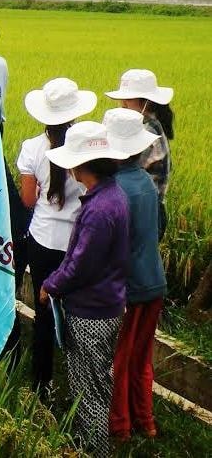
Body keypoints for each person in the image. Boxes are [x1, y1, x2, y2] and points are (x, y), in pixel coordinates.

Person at [40, 121, 130, 458]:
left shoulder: (99, 210)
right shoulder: (110, 195)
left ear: (83, 165)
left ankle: (94, 449)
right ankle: (85, 441)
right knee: (94, 379)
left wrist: (51, 285)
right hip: (107, 303)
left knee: (88, 386)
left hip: (92, 310)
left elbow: (80, 264)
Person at [18, 77, 96, 394]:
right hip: (78, 244)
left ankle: (42, 382)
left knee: (44, 312)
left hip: (41, 240)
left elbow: (26, 200)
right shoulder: (88, 150)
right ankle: (80, 383)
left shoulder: (31, 149)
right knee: (77, 310)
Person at [104, 108, 166, 442]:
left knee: (120, 358)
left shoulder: (114, 190)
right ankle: (147, 422)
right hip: (154, 281)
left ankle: (120, 427)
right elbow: (156, 230)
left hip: (128, 288)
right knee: (141, 358)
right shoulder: (145, 181)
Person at [105, 69, 174, 238]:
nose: (122, 102)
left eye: (127, 98)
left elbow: (115, 167)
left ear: (146, 101)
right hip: (146, 205)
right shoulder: (149, 123)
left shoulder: (145, 133)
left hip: (145, 210)